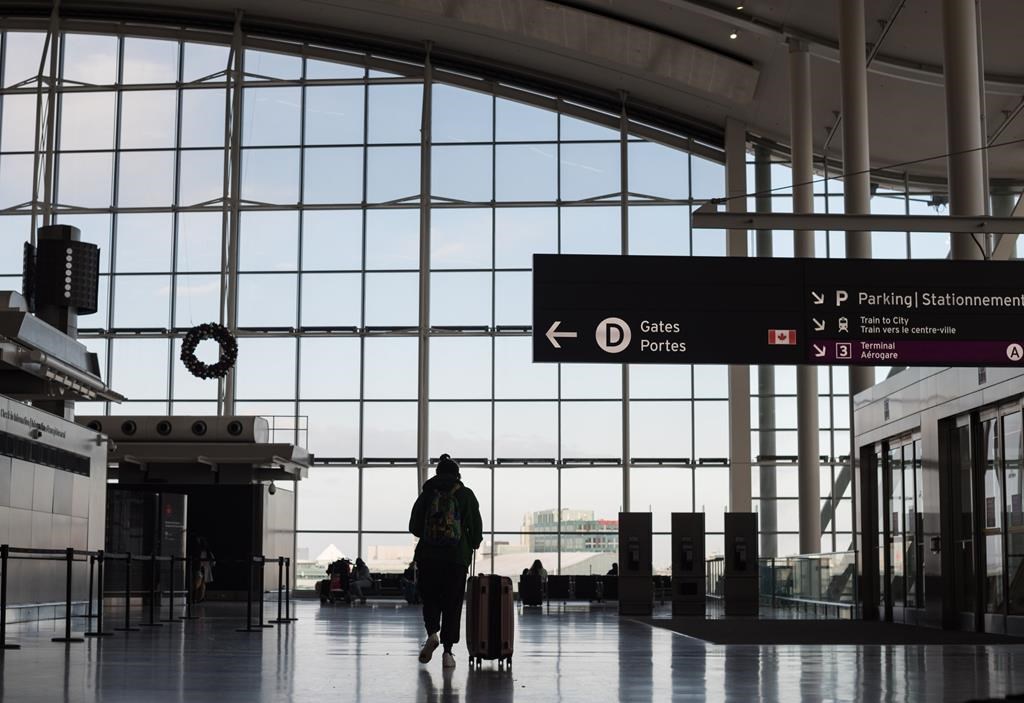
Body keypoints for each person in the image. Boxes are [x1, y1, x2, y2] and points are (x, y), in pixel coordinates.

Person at [409, 453, 483, 670]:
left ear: (437, 474)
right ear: (457, 475)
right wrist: (473, 543)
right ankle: (448, 653)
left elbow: (413, 527)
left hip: (428, 557)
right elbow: (476, 530)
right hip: (456, 559)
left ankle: (432, 633)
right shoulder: (466, 495)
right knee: (452, 604)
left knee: (430, 598)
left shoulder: (426, 495)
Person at [192, 536, 215, 603]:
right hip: (205, 569)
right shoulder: (208, 553)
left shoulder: (199, 552)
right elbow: (213, 562)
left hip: (200, 569)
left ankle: (196, 598)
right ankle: (200, 598)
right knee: (202, 584)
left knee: (197, 584)